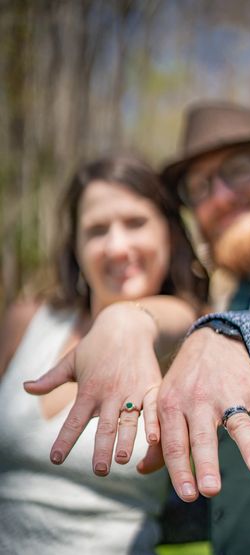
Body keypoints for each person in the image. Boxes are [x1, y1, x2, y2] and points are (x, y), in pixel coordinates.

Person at [25, 101, 250, 554]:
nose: (220, 198)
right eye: (200, 187)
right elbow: (229, 493)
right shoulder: (235, 302)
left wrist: (233, 340)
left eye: (239, 169)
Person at [0, 153, 209, 554]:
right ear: (75, 246)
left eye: (135, 223)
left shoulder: (190, 337)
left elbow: (177, 318)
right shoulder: (26, 322)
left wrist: (125, 320)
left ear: (169, 232)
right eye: (97, 230)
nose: (117, 246)